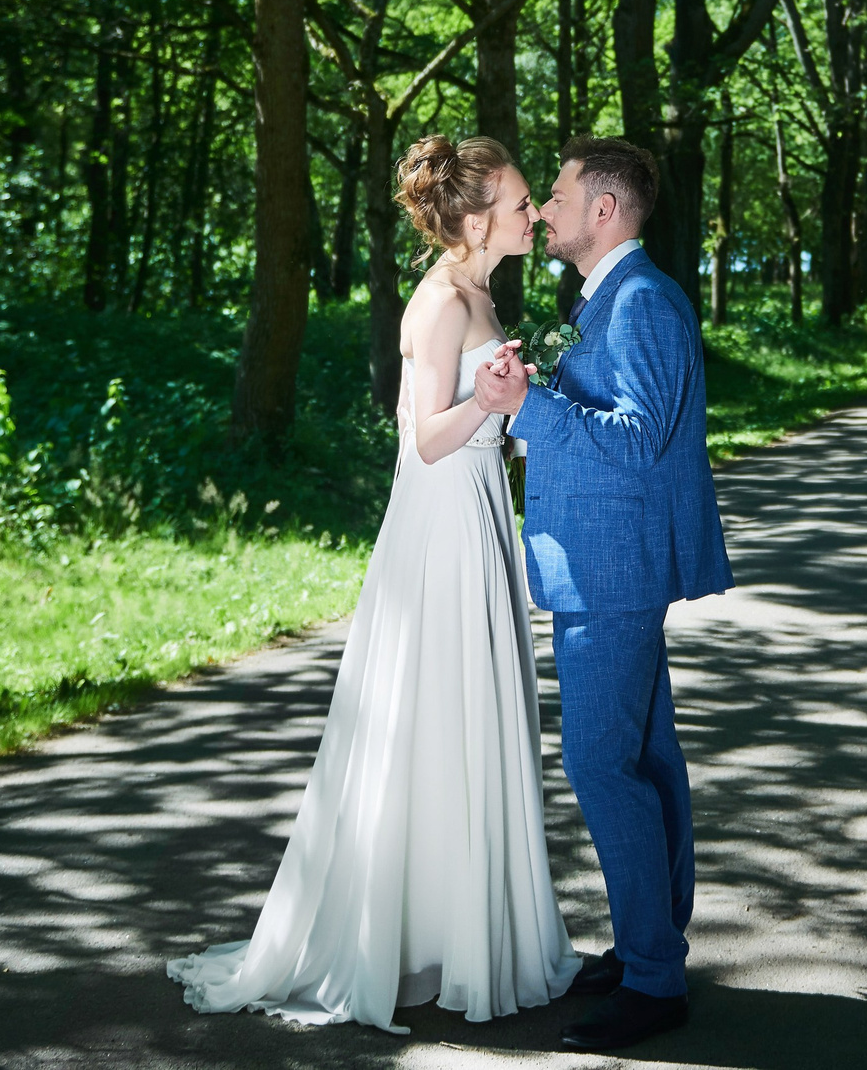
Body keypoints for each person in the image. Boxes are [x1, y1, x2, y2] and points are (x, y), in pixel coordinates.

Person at [167, 135, 581, 1032]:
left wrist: (510, 404)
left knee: (471, 721)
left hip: (478, 516)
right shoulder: (437, 304)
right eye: (517, 202)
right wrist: (492, 399)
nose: (530, 213)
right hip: (438, 529)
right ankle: (400, 943)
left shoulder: (481, 291)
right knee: (433, 723)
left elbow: (477, 432)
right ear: (474, 219)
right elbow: (424, 439)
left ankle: (458, 935)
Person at [474, 136, 734, 1055]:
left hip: (611, 569)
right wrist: (536, 390)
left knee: (601, 764)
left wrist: (525, 406)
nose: (543, 207)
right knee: (648, 758)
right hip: (604, 560)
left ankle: (655, 979)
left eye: (557, 193)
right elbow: (610, 420)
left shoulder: (645, 303)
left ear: (605, 210)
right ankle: (646, 947)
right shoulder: (609, 300)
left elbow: (634, 441)